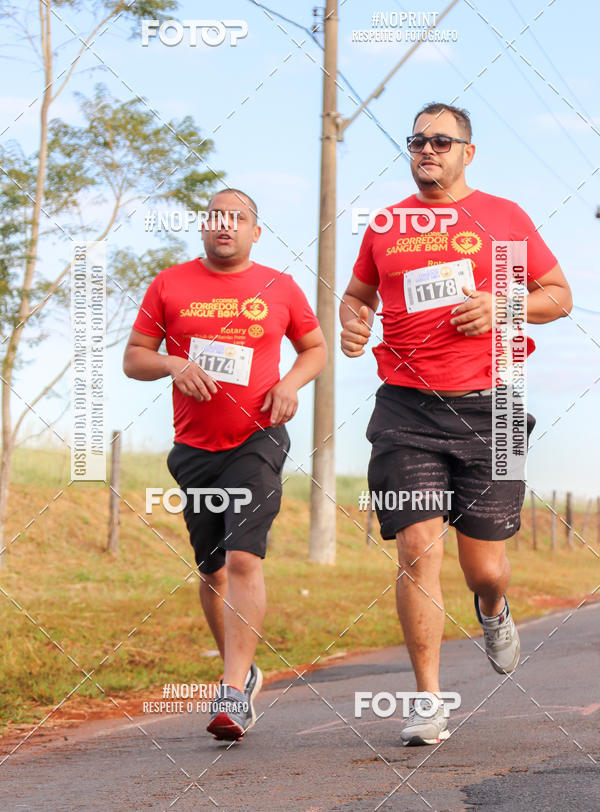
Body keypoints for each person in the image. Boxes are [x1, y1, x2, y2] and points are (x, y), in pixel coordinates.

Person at [340, 103, 572, 746]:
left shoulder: (504, 217)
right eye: (417, 140)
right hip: (406, 407)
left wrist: (505, 305)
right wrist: (352, 321)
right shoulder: (387, 225)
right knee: (417, 549)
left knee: (487, 568)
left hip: (491, 408)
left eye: (442, 140)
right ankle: (428, 701)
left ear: (469, 152)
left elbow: (559, 295)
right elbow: (357, 297)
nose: (427, 150)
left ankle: (493, 608)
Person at [124, 188, 326, 741]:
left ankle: (234, 691)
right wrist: (171, 362)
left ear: (255, 231)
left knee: (242, 557)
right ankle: (241, 667)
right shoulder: (169, 284)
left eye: (237, 218)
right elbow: (133, 358)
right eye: (216, 217)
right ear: (203, 227)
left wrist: (289, 383)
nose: (225, 225)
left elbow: (315, 348)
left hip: (257, 440)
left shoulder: (279, 287)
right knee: (211, 570)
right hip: (194, 450)